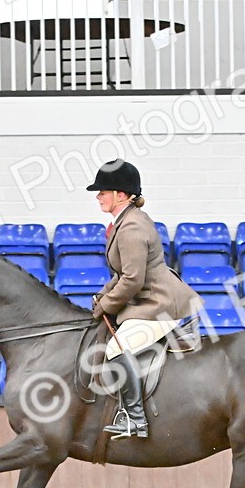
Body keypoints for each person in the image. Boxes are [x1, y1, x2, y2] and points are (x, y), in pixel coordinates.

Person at [87, 159, 201, 440]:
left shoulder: (132, 228)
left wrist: (107, 304)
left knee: (117, 347)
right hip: (145, 299)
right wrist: (104, 294)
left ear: (121, 195)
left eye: (103, 191)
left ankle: (135, 419)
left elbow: (133, 280)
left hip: (158, 304)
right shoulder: (124, 222)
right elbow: (123, 273)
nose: (98, 196)